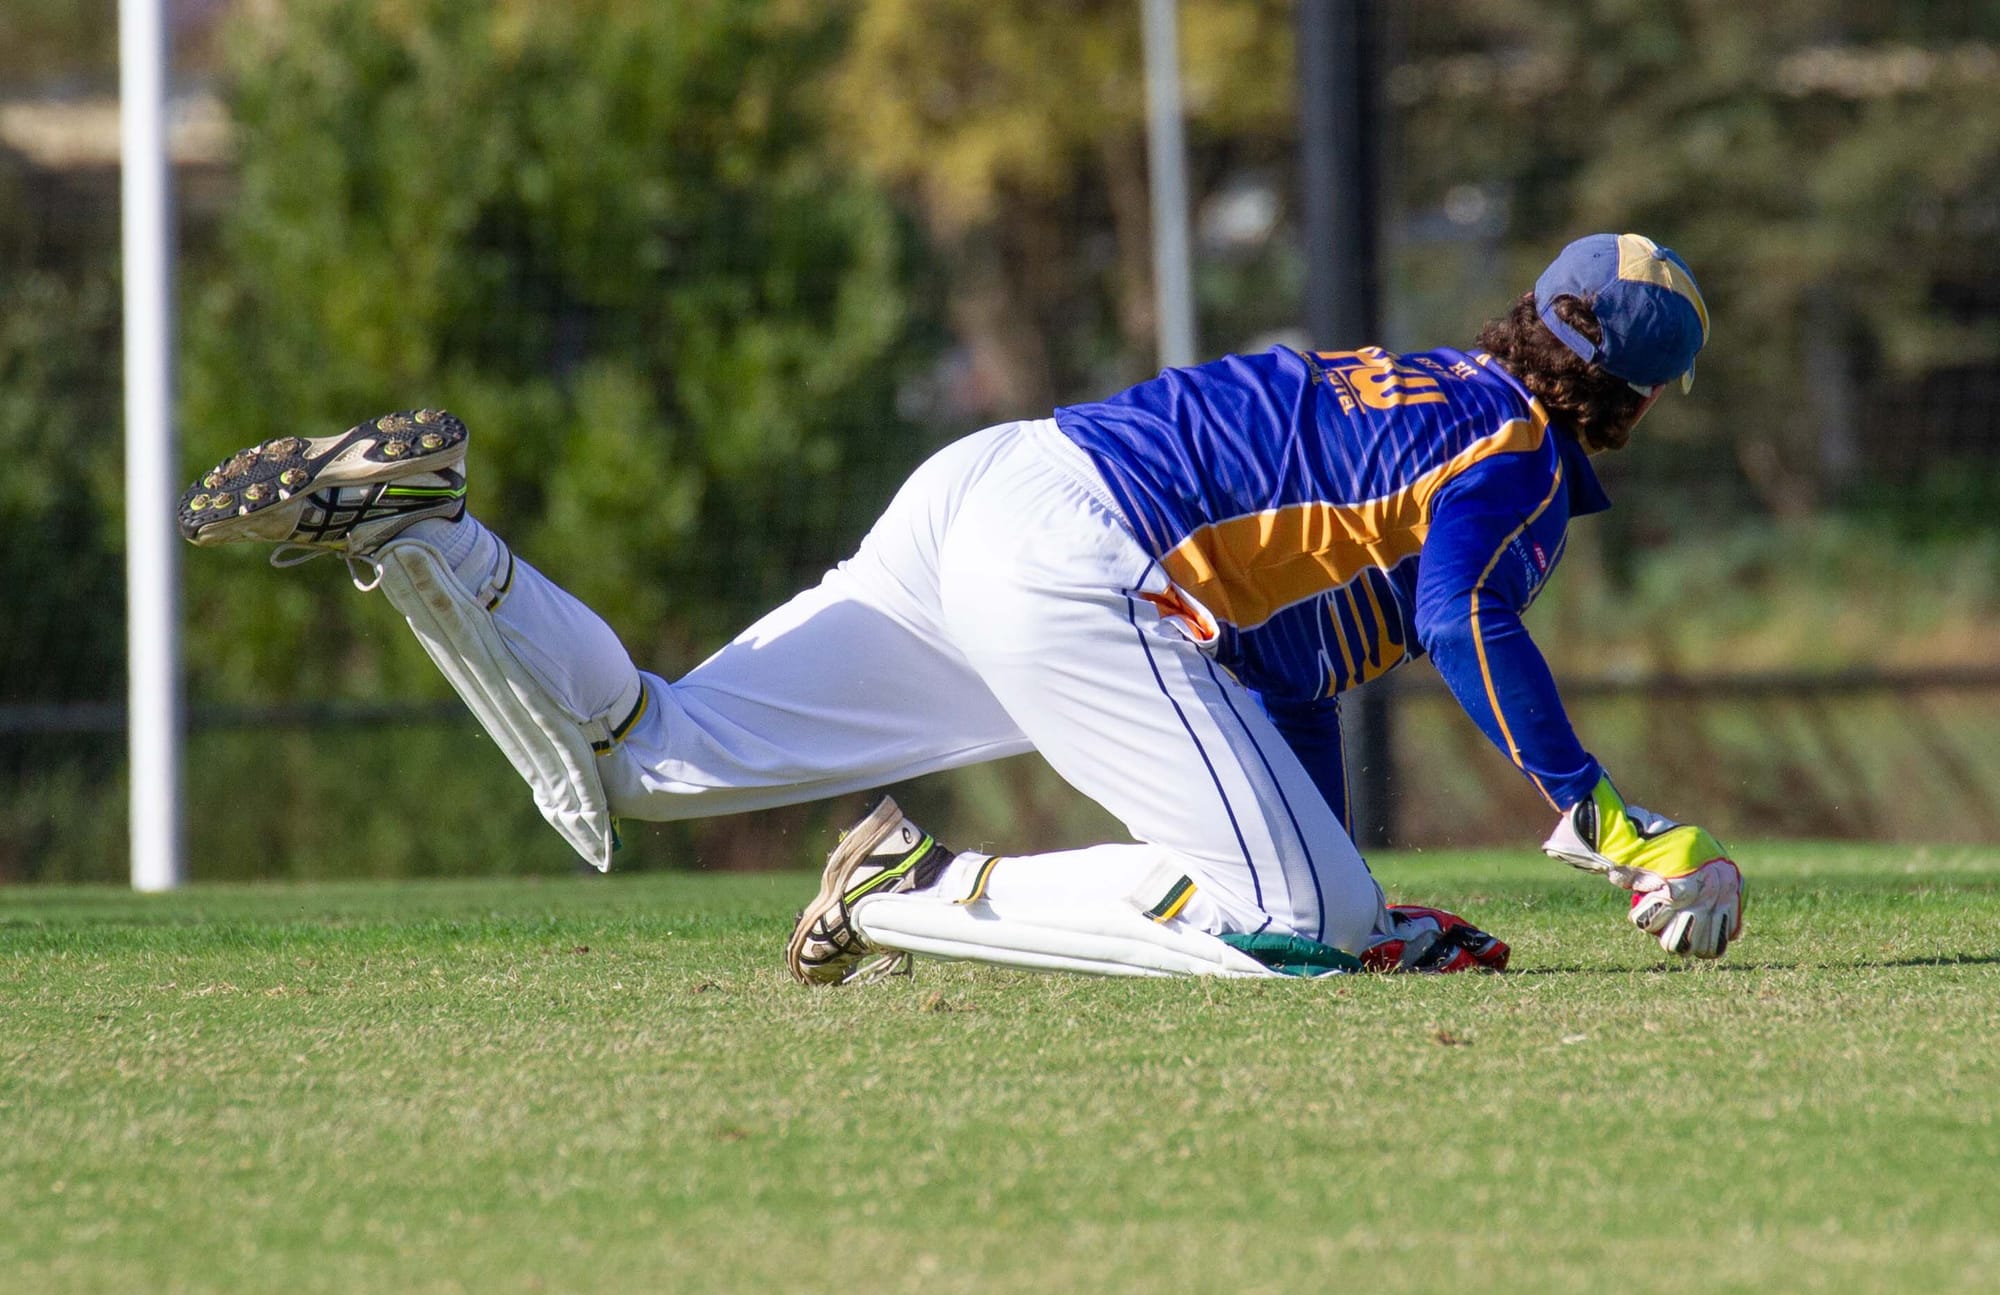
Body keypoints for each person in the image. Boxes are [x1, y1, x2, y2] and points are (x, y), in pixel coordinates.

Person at [178, 232, 1742, 982]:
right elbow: (1469, 619)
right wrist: (1608, 821)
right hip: (1077, 564)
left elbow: (1279, 661)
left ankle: (429, 538)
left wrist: (1359, 875)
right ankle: (905, 885)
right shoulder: (1520, 455)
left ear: (1529, 311)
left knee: (648, 758)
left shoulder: (1418, 385)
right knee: (1305, 928)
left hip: (997, 481)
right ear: (1634, 401)